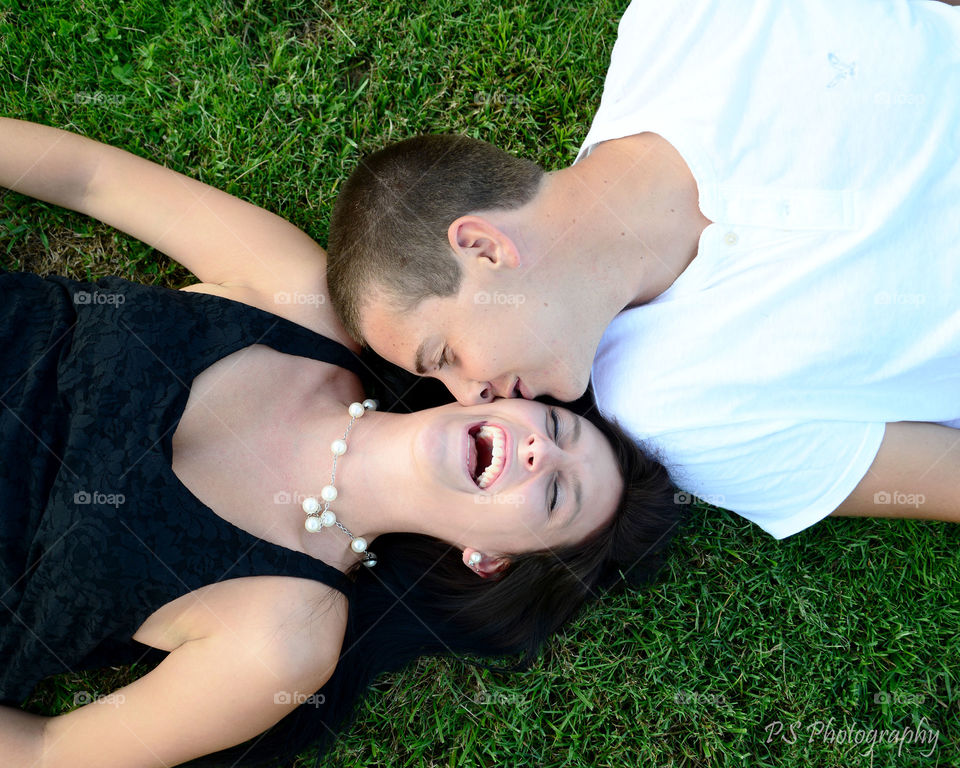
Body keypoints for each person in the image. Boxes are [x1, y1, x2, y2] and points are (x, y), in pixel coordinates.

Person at [0, 118, 684, 767]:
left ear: (490, 561)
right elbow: (91, 177)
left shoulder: (286, 639)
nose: (541, 453)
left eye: (558, 492)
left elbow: (46, 754)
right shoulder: (300, 300)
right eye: (559, 429)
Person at [326, 0, 960, 542]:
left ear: (484, 248)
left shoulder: (684, 20)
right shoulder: (675, 412)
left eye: (443, 356)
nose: (471, 397)